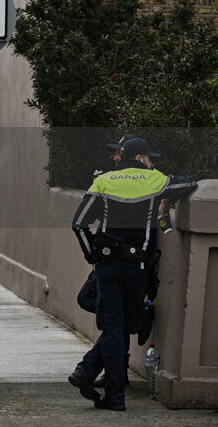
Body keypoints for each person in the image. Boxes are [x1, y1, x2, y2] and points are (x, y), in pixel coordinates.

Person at [70, 136, 197, 411]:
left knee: (114, 327)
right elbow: (191, 183)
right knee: (127, 325)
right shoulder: (155, 180)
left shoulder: (103, 181)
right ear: (140, 159)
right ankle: (93, 376)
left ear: (123, 156)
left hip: (106, 267)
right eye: (149, 158)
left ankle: (112, 393)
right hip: (138, 268)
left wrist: (91, 254)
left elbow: (79, 224)